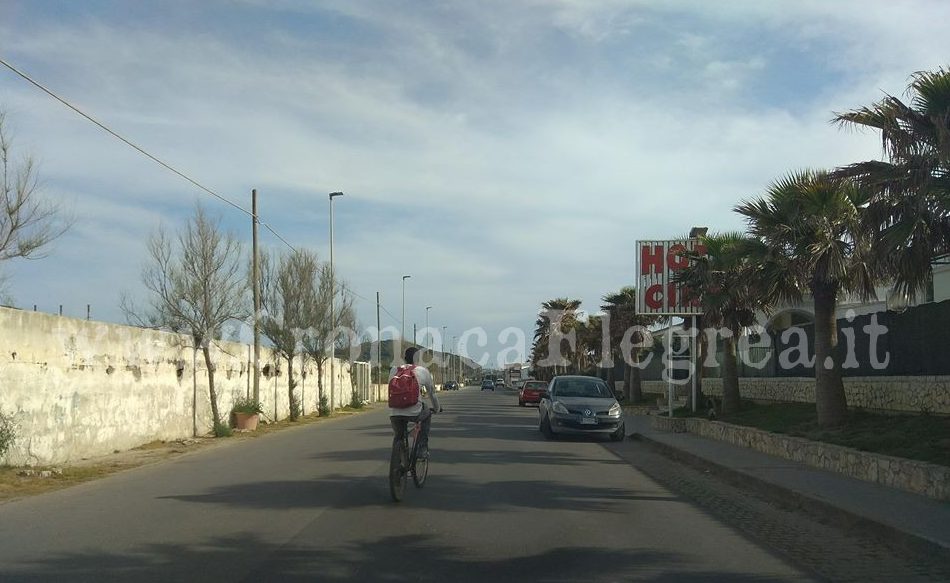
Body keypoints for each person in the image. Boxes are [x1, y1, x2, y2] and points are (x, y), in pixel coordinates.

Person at [389, 346, 442, 459]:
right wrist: (437, 409)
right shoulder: (422, 371)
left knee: (398, 436)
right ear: (418, 359)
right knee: (427, 413)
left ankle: (396, 463)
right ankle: (422, 449)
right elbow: (432, 394)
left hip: (395, 412)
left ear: (404, 358)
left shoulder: (394, 370)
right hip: (414, 412)